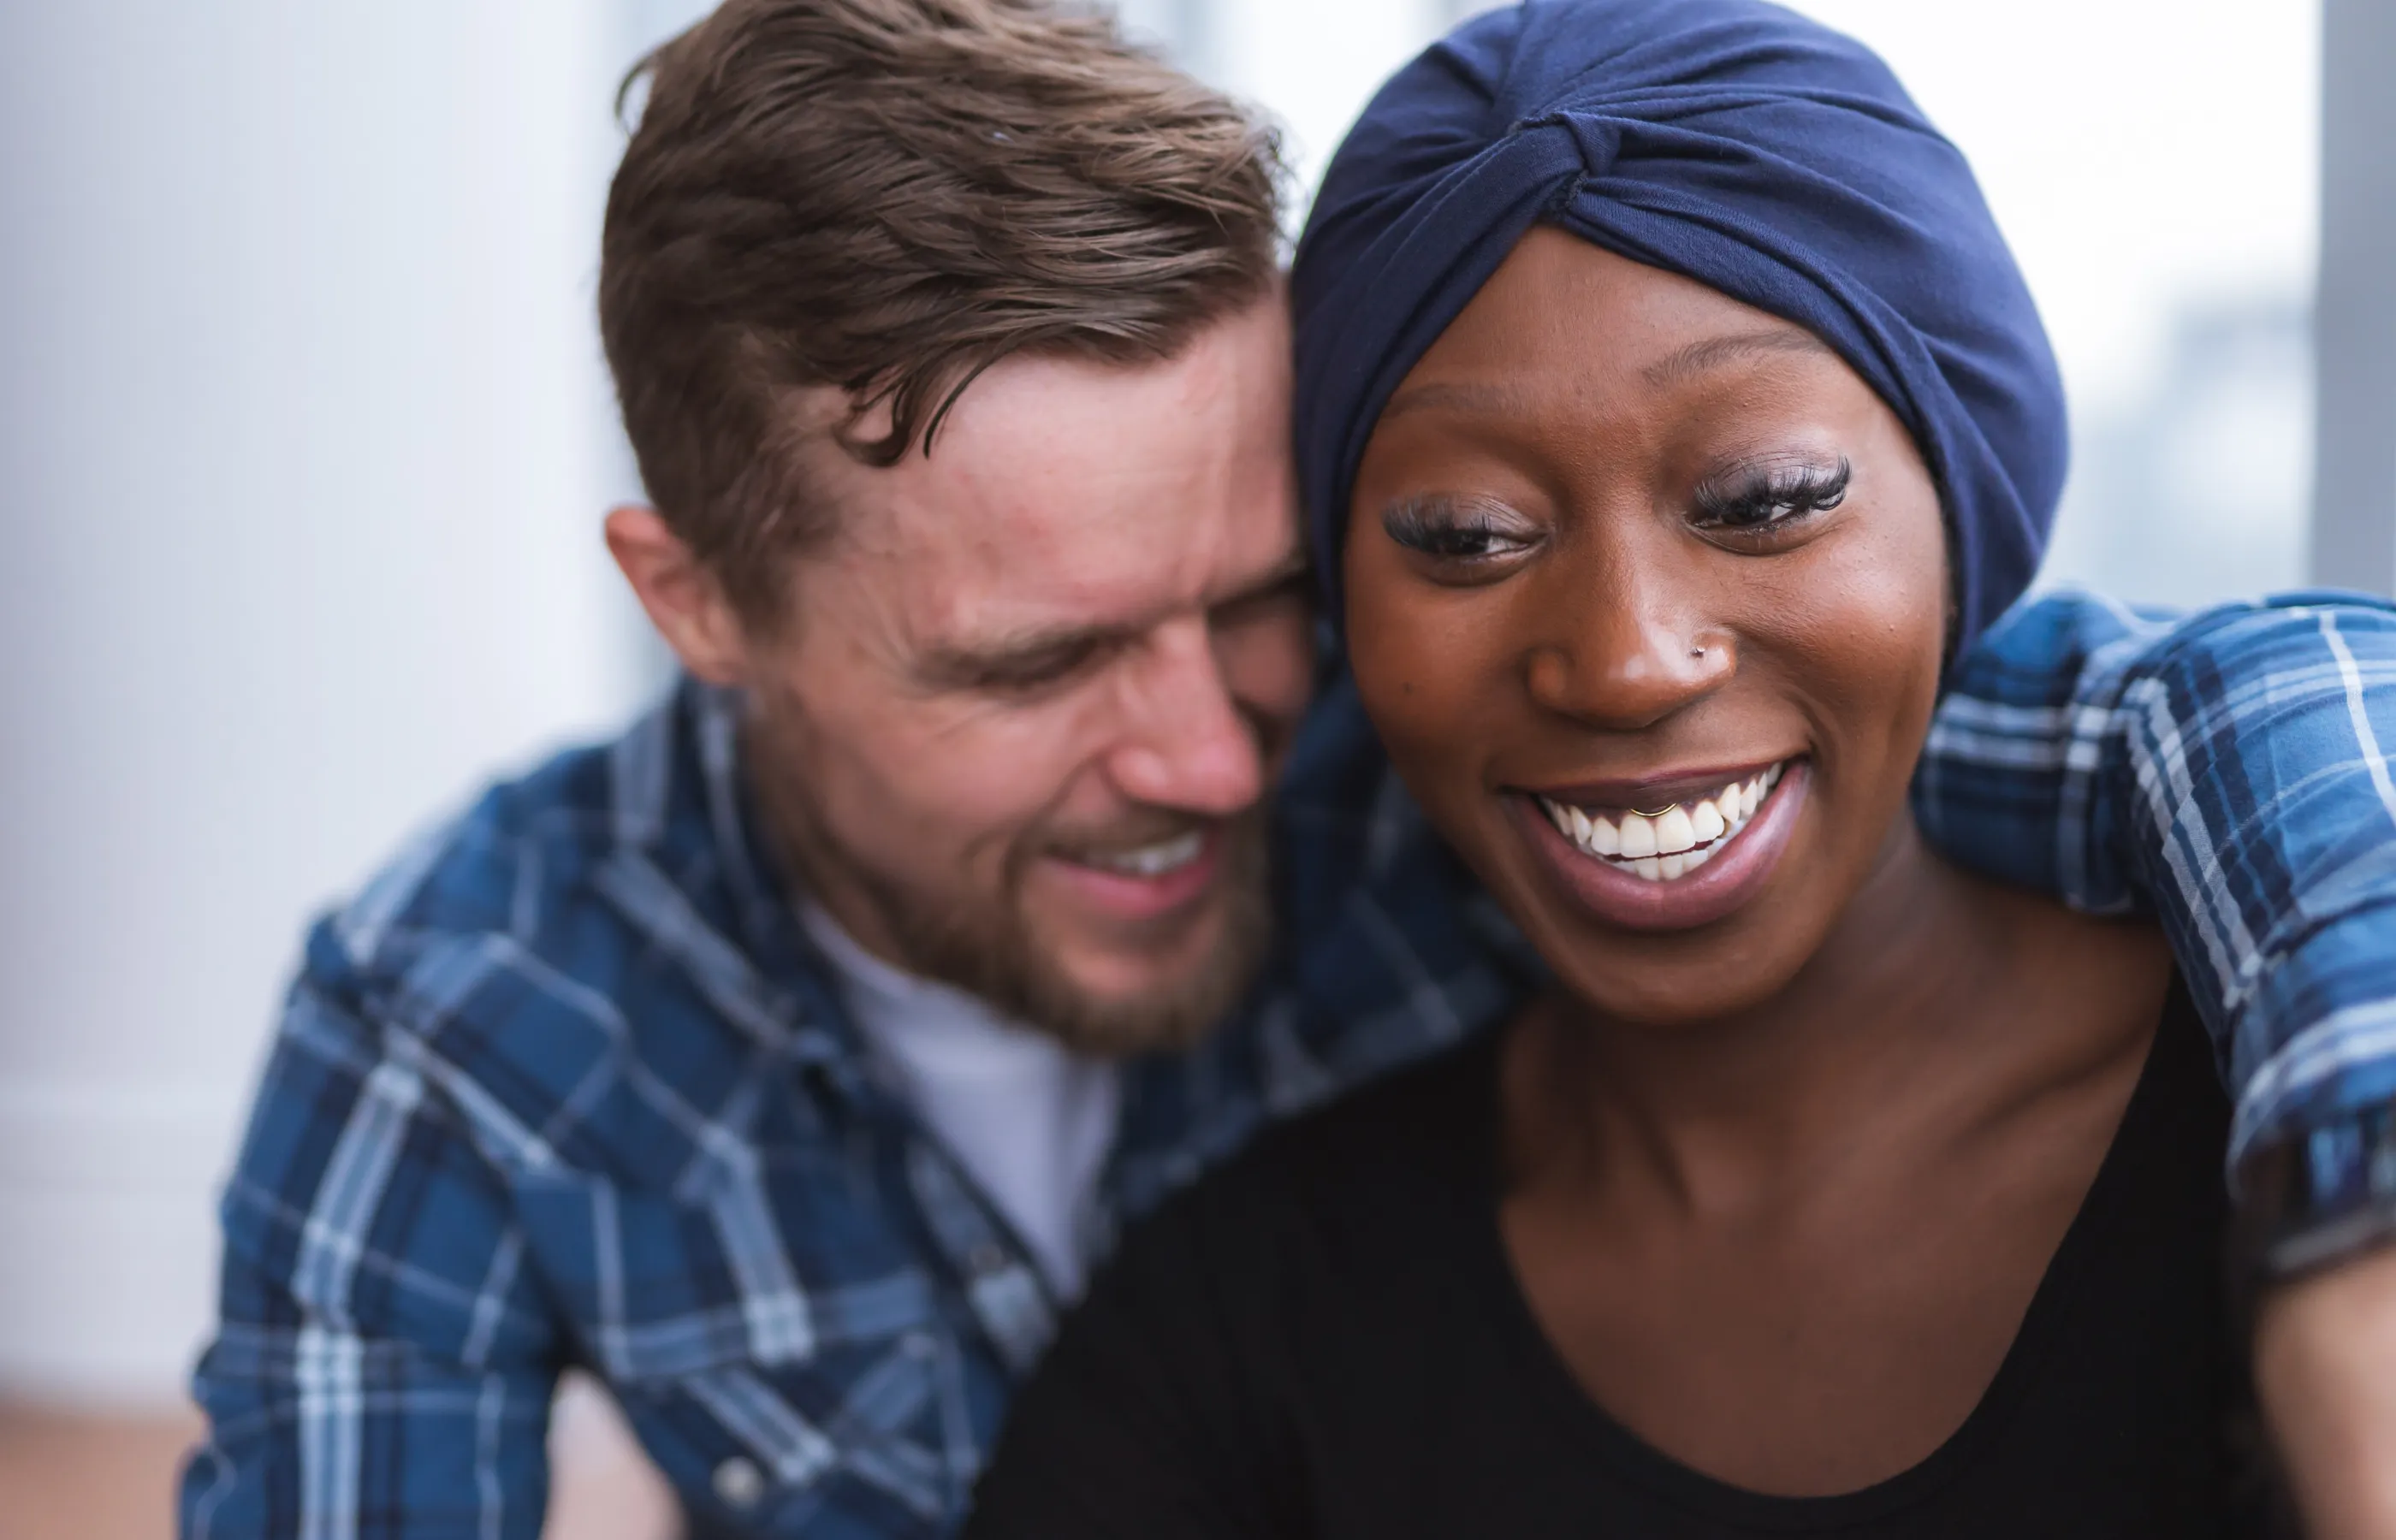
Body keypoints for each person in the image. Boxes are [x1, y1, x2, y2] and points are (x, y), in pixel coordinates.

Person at [179, 1, 2396, 1536]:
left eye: (1252, 594)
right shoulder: (467, 1018)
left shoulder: (1442, 711)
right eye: (1031, 662)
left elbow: (2203, 709)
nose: (1215, 754)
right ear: (701, 608)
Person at [958, 3, 2396, 1536]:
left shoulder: (2292, 1104)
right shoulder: (1240, 1327)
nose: (1630, 660)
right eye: (1469, 538)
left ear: (1960, 502)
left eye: (1765, 500)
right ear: (1335, 608)